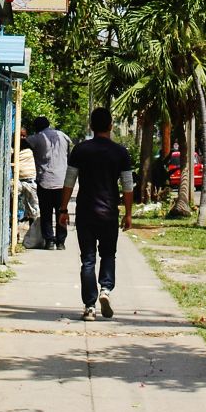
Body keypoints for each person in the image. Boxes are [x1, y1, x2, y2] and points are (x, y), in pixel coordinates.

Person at [58, 107, 133, 319]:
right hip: (109, 213)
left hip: (86, 213)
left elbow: (69, 181)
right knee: (108, 254)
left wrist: (63, 209)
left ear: (91, 126)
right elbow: (128, 186)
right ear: (110, 126)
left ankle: (89, 306)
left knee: (88, 259)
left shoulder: (80, 150)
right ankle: (106, 290)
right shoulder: (120, 153)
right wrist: (128, 213)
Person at [26, 115, 72, 249]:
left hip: (44, 181)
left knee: (46, 213)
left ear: (36, 127)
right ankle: (61, 242)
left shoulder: (37, 137)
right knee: (61, 211)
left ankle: (50, 241)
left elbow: (23, 144)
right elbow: (68, 155)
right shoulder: (62, 135)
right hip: (62, 181)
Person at [16, 129, 40, 224]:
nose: (21, 138)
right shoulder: (13, 149)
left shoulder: (30, 149)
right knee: (16, 203)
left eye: (23, 136)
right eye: (19, 136)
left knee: (33, 207)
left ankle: (33, 227)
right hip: (18, 181)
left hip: (31, 180)